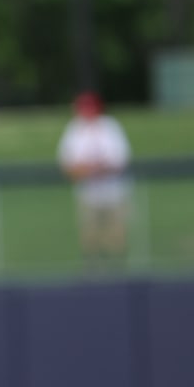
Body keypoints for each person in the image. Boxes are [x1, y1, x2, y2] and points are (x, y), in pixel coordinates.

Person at [57, 90, 133, 269]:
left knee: (116, 235)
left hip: (114, 192)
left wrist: (99, 168)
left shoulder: (110, 126)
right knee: (90, 236)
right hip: (88, 193)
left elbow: (120, 159)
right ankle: (93, 268)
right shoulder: (74, 129)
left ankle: (117, 268)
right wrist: (87, 169)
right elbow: (67, 163)